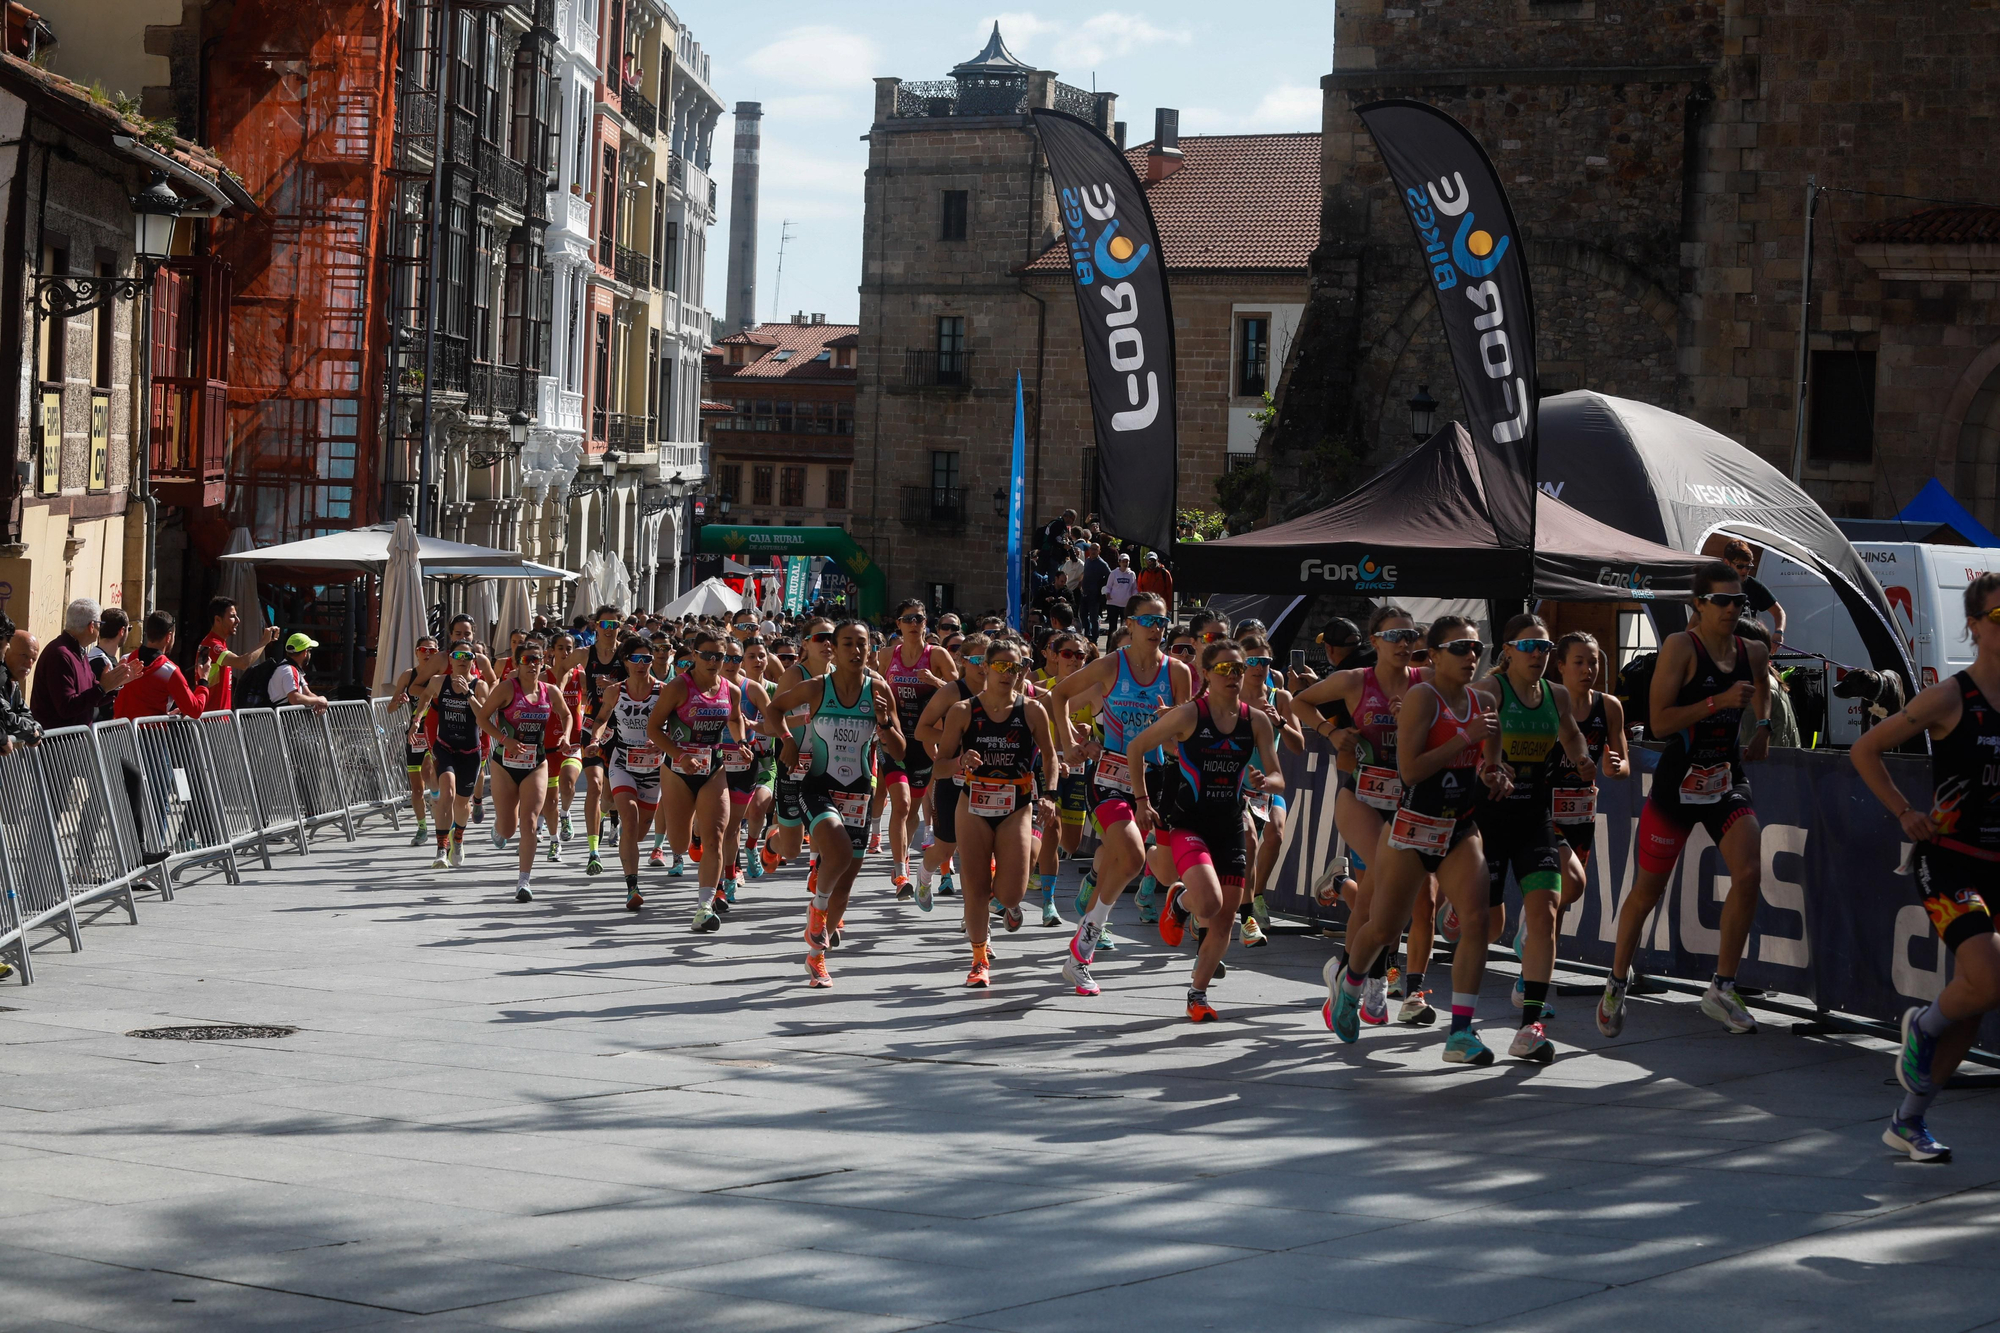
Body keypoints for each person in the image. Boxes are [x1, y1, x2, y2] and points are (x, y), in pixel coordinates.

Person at [1850, 570, 2000, 1163]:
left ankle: (1908, 1121)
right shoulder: (1949, 697)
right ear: (1973, 626)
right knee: (1986, 979)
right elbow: (1866, 749)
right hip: (1951, 861)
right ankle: (1920, 1025)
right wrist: (1905, 812)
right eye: (1999, 617)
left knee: (1977, 997)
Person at [1596, 560, 1771, 1039]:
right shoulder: (1680, 648)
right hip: (1678, 785)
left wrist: (1764, 727)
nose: (1733, 609)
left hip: (1725, 779)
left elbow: (1762, 688)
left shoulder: (1751, 650)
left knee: (1751, 871)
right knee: (1646, 894)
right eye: (1723, 601)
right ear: (1699, 603)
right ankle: (1615, 982)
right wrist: (1717, 703)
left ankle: (1722, 986)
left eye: (1739, 601)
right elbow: (1659, 722)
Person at [1325, 615, 1502, 1065]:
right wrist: (1465, 737)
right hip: (1411, 825)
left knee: (1477, 922)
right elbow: (1411, 771)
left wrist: (1497, 775)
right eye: (1460, 648)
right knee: (1384, 929)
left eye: (1477, 649)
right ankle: (1349, 985)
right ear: (1437, 655)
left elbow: (1488, 764)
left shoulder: (1483, 701)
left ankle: (1460, 1033)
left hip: (1459, 826)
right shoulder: (1422, 697)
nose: (1471, 656)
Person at [1291, 606, 1433, 1025]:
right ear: (1375, 642)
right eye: (1394, 636)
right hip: (1361, 799)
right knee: (1384, 887)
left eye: (1409, 636)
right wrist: (1332, 733)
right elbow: (1300, 702)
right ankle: (1370, 979)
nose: (1403, 644)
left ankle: (1349, 969)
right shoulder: (1356, 680)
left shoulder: (1425, 685)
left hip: (1409, 802)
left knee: (1398, 901)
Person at [1128, 639, 1284, 1021]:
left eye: (1240, 668)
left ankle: (1197, 994)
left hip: (1230, 823)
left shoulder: (1256, 720)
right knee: (1209, 904)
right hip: (1190, 823)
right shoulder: (1188, 716)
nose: (1235, 676)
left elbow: (1279, 776)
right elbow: (1136, 748)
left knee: (1225, 917)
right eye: (1225, 669)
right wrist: (1142, 801)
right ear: (1206, 674)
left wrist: (1265, 782)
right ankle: (1180, 901)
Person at [1053, 592, 1193, 997]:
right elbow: (1059, 696)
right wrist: (1070, 745)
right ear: (1129, 624)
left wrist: (1174, 725)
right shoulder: (1113, 665)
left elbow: (1179, 739)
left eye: (1162, 622)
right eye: (1148, 621)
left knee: (1140, 866)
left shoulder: (1177, 671)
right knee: (1130, 856)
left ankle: (1082, 942)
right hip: (1111, 777)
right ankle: (1086, 944)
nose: (1156, 629)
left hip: (1154, 780)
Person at [1473, 613, 1598, 1065]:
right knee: (1485, 926)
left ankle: (1529, 1026)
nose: (1539, 655)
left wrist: (1583, 761)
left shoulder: (1557, 695)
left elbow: (1573, 737)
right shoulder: (1489, 691)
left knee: (1545, 911)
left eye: (1544, 647)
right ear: (1507, 650)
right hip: (1487, 818)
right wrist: (1486, 766)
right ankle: (1455, 906)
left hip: (1534, 818)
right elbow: (1461, 736)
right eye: (1529, 647)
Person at [757, 620, 904, 987]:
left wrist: (885, 723)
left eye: (862, 644)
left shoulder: (880, 690)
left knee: (844, 884)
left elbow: (900, 751)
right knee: (835, 852)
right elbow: (774, 711)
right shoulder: (818, 687)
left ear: (871, 650)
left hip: (858, 792)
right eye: (847, 644)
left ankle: (816, 958)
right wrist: (788, 740)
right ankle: (816, 912)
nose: (855, 650)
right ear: (834, 651)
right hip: (818, 786)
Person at [933, 635, 1061, 988]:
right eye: (1002, 666)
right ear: (985, 668)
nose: (1009, 673)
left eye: (1016, 667)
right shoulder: (963, 711)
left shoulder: (1031, 710)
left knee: (1010, 894)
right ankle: (978, 957)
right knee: (974, 888)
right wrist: (959, 761)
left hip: (1016, 803)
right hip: (972, 803)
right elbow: (939, 766)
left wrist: (1049, 794)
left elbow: (1050, 756)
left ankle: (1007, 905)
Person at [646, 629, 744, 932]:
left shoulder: (732, 690)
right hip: (678, 771)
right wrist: (679, 755)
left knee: (717, 834)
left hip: (713, 768)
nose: (715, 662)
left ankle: (704, 907)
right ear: (695, 655)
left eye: (721, 656)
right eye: (708, 656)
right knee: (680, 842)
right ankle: (693, 837)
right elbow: (653, 729)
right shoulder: (678, 687)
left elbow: (735, 719)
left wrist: (741, 744)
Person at [474, 637, 571, 902]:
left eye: (537, 660)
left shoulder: (550, 691)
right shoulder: (507, 688)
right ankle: (498, 827)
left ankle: (523, 881)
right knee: (508, 829)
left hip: (535, 763)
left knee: (529, 822)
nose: (532, 665)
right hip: (505, 764)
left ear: (544, 662)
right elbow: (482, 718)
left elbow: (567, 714)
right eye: (527, 660)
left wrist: (565, 736)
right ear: (518, 663)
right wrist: (505, 740)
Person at [875, 600, 954, 900]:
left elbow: (962, 690)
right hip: (893, 738)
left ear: (925, 622)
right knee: (903, 804)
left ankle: (904, 857)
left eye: (918, 618)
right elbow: (875, 684)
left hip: (924, 741)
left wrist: (934, 680)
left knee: (912, 810)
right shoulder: (887, 655)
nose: (913, 623)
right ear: (898, 624)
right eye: (907, 618)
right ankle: (900, 872)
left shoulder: (937, 654)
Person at [591, 636, 666, 910]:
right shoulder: (615, 691)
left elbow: (676, 726)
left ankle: (627, 843)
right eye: (636, 659)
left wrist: (662, 740)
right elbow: (600, 720)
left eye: (647, 659)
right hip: (622, 761)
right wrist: (595, 740)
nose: (642, 664)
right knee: (630, 820)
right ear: (625, 661)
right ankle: (632, 886)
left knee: (640, 832)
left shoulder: (664, 691)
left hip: (654, 766)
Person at [410, 642, 488, 869]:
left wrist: (468, 693)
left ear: (473, 659)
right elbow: (424, 697)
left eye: (467, 655)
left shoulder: (479, 685)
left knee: (463, 803)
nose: (462, 659)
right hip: (444, 747)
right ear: (450, 659)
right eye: (457, 655)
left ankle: (459, 839)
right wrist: (417, 720)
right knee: (448, 793)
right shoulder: (438, 681)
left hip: (470, 752)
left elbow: (484, 716)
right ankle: (441, 849)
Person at [31, 598, 139, 729]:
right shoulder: (60, 655)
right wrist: (102, 688)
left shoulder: (78, 652)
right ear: (91, 626)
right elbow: (67, 707)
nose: (101, 629)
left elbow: (93, 695)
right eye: (100, 623)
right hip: (60, 744)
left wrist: (115, 684)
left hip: (75, 741)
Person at [114, 611, 209, 720]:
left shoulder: (125, 660)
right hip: (151, 734)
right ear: (168, 637)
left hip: (121, 733)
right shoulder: (170, 671)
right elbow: (195, 710)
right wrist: (203, 681)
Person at [199, 596, 280, 711]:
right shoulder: (212, 645)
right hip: (211, 721)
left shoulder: (217, 643)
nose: (238, 620)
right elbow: (242, 663)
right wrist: (264, 641)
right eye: (232, 616)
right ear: (218, 620)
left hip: (219, 719)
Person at [1720, 538, 1786, 649]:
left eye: (1748, 566)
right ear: (1727, 563)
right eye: (1740, 566)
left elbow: (1779, 612)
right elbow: (1697, 619)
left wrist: (1779, 632)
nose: (1745, 570)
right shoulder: (1715, 586)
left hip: (1748, 649)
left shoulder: (1754, 586)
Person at [268, 634, 331, 711]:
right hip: (284, 719)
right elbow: (294, 698)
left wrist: (318, 700)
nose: (310, 654)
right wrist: (319, 700)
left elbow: (307, 693)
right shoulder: (289, 670)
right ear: (305, 652)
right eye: (309, 651)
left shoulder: (291, 669)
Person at [91, 607, 133, 721]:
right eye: (129, 629)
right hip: (100, 732)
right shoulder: (101, 662)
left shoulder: (96, 657)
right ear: (122, 631)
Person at [1079, 543, 1111, 641]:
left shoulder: (1102, 564)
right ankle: (1087, 634)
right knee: (1082, 615)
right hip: (1085, 593)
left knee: (1094, 617)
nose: (1093, 551)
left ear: (1099, 551)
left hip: (1094, 595)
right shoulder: (1088, 560)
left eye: (1095, 549)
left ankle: (1095, 637)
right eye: (1091, 549)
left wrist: (1102, 586)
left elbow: (1110, 576)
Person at [1103, 554, 1138, 634]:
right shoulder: (1114, 573)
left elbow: (1134, 588)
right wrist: (1107, 593)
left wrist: (1134, 598)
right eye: (1123, 561)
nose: (1125, 563)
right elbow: (1108, 586)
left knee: (1125, 627)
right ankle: (1111, 646)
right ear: (1119, 562)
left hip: (1125, 604)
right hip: (1113, 603)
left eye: (1127, 561)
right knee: (1112, 627)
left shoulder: (1131, 574)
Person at [1136, 550, 1174, 616]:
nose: (1151, 563)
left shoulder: (1164, 573)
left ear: (1157, 560)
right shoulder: (1142, 573)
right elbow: (1139, 589)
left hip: (1161, 605)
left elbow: (1170, 590)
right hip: (1147, 606)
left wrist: (1169, 607)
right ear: (1146, 561)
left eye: (1153, 560)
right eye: (1149, 561)